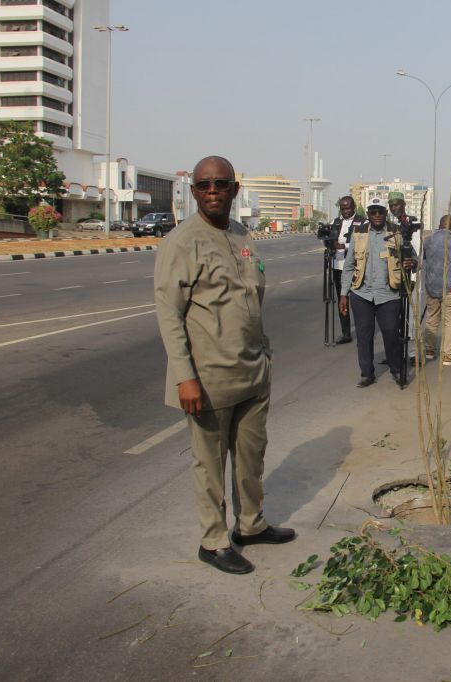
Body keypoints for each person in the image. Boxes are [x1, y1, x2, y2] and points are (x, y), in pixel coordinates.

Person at [154, 155, 295, 576]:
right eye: (204, 186)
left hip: (252, 370)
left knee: (251, 456)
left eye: (221, 185)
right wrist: (185, 378)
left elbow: (251, 299)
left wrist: (264, 355)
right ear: (194, 191)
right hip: (208, 377)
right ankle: (213, 541)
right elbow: (169, 314)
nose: (213, 192)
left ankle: (250, 524)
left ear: (235, 189)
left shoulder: (241, 234)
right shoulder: (181, 243)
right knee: (210, 464)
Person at [339, 196, 416, 388]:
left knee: (391, 332)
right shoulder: (358, 233)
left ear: (385, 213)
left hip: (389, 294)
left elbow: (414, 259)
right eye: (373, 211)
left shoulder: (396, 232)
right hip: (361, 293)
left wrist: (411, 263)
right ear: (368, 214)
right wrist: (343, 294)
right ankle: (367, 373)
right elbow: (348, 266)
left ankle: (397, 369)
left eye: (380, 211)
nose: (377, 215)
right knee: (364, 335)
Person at [422, 214, 451, 365]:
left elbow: (425, 258)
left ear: (439, 225)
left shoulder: (428, 240)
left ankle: (429, 350)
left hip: (431, 287)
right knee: (450, 321)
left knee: (432, 318)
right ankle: (448, 356)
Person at [388, 192, 423, 365]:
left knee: (410, 316)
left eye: (397, 204)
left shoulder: (412, 222)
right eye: (391, 205)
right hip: (392, 276)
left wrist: (414, 268)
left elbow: (417, 250)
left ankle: (411, 353)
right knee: (392, 318)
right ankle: (394, 353)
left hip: (411, 275)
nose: (394, 208)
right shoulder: (387, 225)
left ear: (404, 205)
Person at [329, 196, 358, 343]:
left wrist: (344, 246)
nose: (345, 211)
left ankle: (363, 331)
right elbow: (327, 240)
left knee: (358, 302)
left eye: (348, 208)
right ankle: (346, 333)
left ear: (354, 207)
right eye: (343, 208)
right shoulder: (335, 222)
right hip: (337, 266)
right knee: (342, 300)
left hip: (356, 267)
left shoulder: (363, 222)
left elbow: (363, 243)